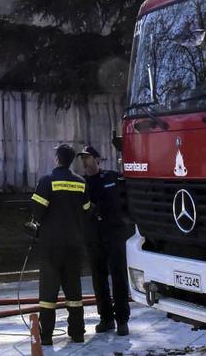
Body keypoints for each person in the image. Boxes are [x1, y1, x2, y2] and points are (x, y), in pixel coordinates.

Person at [26, 143, 91, 345]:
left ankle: (46, 337)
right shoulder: (81, 183)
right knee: (74, 292)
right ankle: (78, 333)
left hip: (51, 246)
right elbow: (87, 210)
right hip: (74, 246)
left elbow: (37, 212)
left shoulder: (47, 181)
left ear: (57, 159)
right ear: (71, 160)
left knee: (48, 293)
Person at [78, 144, 130, 335]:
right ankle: (106, 319)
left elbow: (126, 191)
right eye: (82, 158)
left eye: (87, 157)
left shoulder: (111, 177)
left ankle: (122, 320)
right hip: (93, 234)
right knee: (99, 278)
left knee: (118, 276)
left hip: (114, 233)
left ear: (97, 159)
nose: (84, 161)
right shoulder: (81, 183)